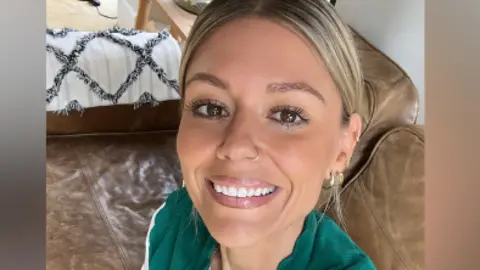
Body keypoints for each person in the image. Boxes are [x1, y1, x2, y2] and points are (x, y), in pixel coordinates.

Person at [142, 0, 375, 269]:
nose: (236, 146)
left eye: (288, 115)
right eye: (211, 108)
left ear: (344, 147)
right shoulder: (172, 219)